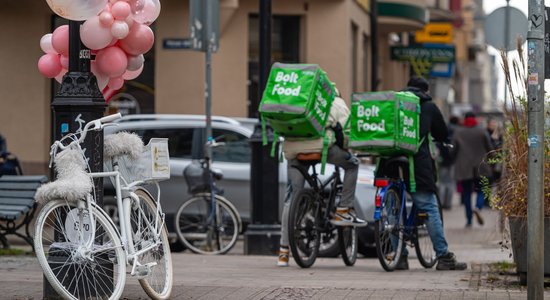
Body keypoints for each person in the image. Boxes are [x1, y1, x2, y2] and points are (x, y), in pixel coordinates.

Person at [277, 88, 367, 267]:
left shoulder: (301, 100)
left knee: (292, 197)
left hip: (294, 151)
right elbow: (348, 131)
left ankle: (283, 252)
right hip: (322, 149)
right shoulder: (337, 103)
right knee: (353, 165)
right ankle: (343, 210)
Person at [390, 76, 467, 271]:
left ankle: (399, 257)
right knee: (429, 206)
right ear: (425, 91)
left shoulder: (393, 102)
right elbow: (441, 132)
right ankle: (443, 256)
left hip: (388, 161)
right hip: (415, 164)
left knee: (391, 208)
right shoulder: (428, 106)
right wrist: (443, 140)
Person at [452, 111, 494, 227]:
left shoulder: (458, 132)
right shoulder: (482, 131)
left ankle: (469, 220)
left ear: (465, 118)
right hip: (481, 166)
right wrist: (493, 160)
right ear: (474, 118)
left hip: (464, 168)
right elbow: (490, 148)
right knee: (482, 189)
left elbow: (453, 150)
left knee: (466, 194)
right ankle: (478, 207)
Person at [437, 116, 459, 210]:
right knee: (450, 183)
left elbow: (438, 144)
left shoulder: (443, 130)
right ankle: (448, 204)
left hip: (442, 160)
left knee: (442, 183)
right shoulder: (457, 131)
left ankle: (441, 203)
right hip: (452, 161)